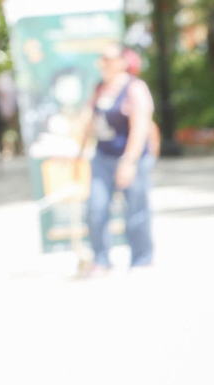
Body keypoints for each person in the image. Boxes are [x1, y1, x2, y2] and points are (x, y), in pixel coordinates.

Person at [73, 44, 154, 274]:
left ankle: (142, 258)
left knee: (136, 209)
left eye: (108, 59)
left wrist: (129, 161)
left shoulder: (135, 88)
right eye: (101, 59)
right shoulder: (100, 88)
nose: (102, 63)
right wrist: (78, 153)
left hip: (131, 155)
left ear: (122, 61)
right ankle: (100, 259)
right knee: (95, 207)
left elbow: (140, 127)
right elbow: (90, 121)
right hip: (103, 155)